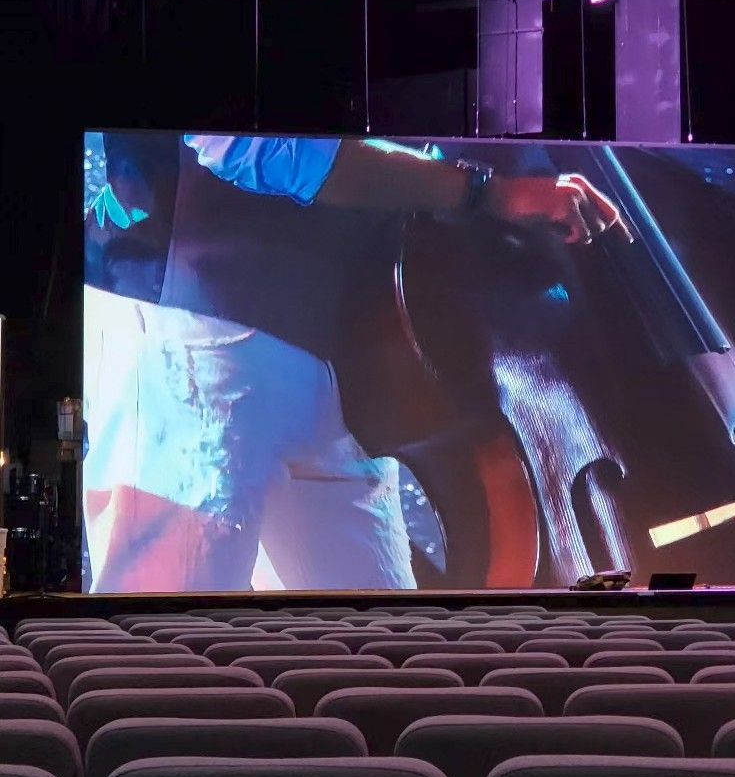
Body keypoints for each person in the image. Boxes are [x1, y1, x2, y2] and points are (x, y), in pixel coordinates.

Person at [83, 132, 628, 592]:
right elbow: (259, 150)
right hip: (195, 331)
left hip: (341, 360)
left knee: (380, 653)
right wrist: (482, 191)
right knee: (171, 644)